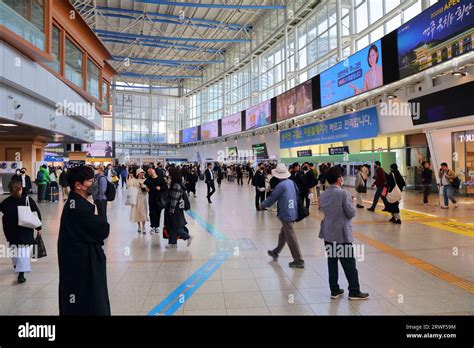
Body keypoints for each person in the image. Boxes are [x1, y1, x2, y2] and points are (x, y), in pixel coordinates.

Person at [58, 165, 110, 315]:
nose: (93, 183)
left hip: (80, 263)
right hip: (82, 267)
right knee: (89, 304)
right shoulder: (78, 209)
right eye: (89, 181)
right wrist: (101, 207)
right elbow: (103, 230)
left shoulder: (77, 204)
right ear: (78, 185)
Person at [319, 167, 369, 300]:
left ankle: (334, 290)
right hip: (341, 235)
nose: (342, 178)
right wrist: (352, 202)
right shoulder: (343, 193)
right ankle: (354, 291)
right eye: (341, 176)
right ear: (339, 179)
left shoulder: (323, 194)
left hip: (328, 233)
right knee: (349, 264)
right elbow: (351, 213)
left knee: (332, 262)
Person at [261, 164, 304, 269]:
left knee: (291, 237)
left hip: (286, 213)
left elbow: (272, 198)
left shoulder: (281, 186)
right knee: (283, 234)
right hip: (293, 211)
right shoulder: (291, 183)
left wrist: (262, 205)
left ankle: (298, 260)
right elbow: (297, 194)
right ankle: (275, 252)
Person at [0, 181, 42, 284]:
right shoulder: (27, 200)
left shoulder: (6, 202)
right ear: (21, 189)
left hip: (10, 231)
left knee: (14, 250)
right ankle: (21, 274)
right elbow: (36, 213)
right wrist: (39, 227)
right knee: (23, 252)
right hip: (25, 231)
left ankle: (16, 265)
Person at [164, 168, 193, 249]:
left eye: (170, 174)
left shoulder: (176, 185)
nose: (169, 175)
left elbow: (174, 199)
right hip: (176, 208)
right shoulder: (176, 183)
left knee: (176, 226)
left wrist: (171, 210)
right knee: (172, 226)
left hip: (175, 209)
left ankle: (187, 236)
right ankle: (172, 243)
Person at [144, 167, 168, 234]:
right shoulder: (148, 180)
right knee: (151, 213)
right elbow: (144, 186)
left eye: (150, 170)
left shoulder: (160, 179)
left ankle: (157, 226)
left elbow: (166, 187)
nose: (150, 172)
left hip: (159, 199)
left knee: (158, 212)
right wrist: (145, 189)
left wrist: (160, 188)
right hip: (151, 198)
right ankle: (152, 227)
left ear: (154, 171)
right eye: (148, 172)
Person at [127, 168, 149, 234]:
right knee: (136, 212)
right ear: (138, 173)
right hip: (135, 197)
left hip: (143, 197)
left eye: (143, 173)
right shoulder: (134, 180)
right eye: (141, 172)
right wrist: (129, 178)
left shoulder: (145, 180)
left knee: (143, 212)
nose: (142, 174)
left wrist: (143, 186)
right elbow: (129, 185)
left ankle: (144, 227)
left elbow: (147, 189)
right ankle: (139, 226)